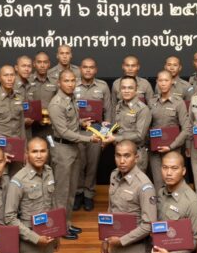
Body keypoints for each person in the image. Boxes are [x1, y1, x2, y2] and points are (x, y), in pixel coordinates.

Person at [6, 137, 59, 253]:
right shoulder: (18, 180)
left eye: (42, 151)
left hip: (49, 238)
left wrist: (57, 234)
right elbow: (10, 217)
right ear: (26, 154)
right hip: (29, 240)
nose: (39, 155)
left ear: (48, 152)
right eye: (34, 151)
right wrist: (35, 238)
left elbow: (52, 203)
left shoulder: (49, 172)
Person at [103, 139, 157, 253]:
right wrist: (105, 236)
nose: (122, 160)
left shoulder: (144, 185)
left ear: (136, 157)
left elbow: (149, 225)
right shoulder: (114, 175)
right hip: (116, 243)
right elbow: (112, 207)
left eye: (127, 156)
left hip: (135, 248)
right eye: (118, 156)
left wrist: (122, 240)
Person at [47, 70, 93, 239]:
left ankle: (66, 223)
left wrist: (81, 123)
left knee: (71, 190)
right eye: (66, 81)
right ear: (59, 83)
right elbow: (64, 132)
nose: (70, 84)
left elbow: (69, 122)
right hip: (62, 150)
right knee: (61, 192)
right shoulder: (56, 103)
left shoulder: (71, 98)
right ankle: (59, 228)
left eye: (73, 80)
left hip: (73, 148)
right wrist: (88, 139)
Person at [73, 58, 112, 211]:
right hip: (77, 130)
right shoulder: (73, 84)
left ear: (95, 70)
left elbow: (108, 111)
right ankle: (78, 193)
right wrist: (79, 122)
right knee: (79, 163)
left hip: (96, 131)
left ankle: (88, 194)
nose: (88, 70)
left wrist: (104, 135)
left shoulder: (102, 86)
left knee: (92, 164)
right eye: (85, 67)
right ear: (80, 69)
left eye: (91, 67)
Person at [148, 71, 190, 180]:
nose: (163, 83)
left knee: (172, 180)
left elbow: (186, 129)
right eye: (160, 80)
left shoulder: (179, 102)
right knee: (158, 181)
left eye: (166, 80)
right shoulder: (151, 102)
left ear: (171, 82)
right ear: (157, 82)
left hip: (173, 149)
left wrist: (171, 146)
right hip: (155, 151)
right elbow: (147, 126)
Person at [110, 76, 153, 172]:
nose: (126, 91)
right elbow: (118, 128)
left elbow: (139, 136)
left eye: (130, 88)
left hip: (136, 154)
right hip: (120, 153)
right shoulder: (118, 106)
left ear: (136, 90)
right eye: (123, 88)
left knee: (135, 181)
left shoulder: (143, 109)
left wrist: (115, 138)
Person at [26, 51, 58, 140]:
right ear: (34, 64)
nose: (42, 65)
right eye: (39, 62)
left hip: (51, 126)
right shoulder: (26, 81)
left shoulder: (56, 82)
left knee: (51, 148)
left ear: (49, 64)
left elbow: (60, 103)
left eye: (45, 62)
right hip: (31, 126)